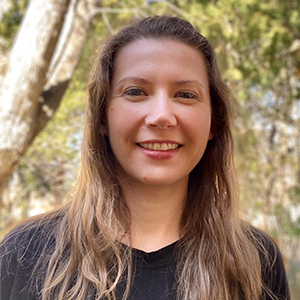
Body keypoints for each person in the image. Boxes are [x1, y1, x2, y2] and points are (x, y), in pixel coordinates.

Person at [0, 16, 290, 300]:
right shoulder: (24, 255)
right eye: (136, 91)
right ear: (103, 116)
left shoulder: (255, 261)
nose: (162, 115)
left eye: (186, 95)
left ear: (214, 122)